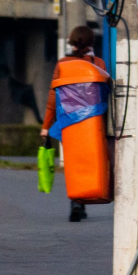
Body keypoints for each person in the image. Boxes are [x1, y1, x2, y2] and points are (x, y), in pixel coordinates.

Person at [41, 25, 107, 223]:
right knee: (91, 158)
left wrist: (46, 126)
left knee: (72, 161)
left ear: (71, 42)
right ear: (91, 43)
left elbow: (54, 97)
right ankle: (87, 194)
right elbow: (106, 93)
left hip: (68, 122)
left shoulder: (63, 64)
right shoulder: (98, 63)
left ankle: (76, 202)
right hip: (93, 121)